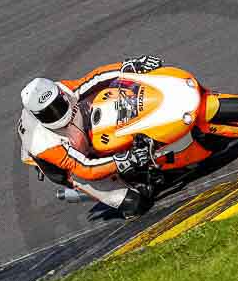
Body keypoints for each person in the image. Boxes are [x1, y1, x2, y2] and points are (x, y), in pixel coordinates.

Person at [17, 55, 165, 217]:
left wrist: (130, 66)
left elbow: (94, 79)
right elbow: (86, 168)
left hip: (79, 127)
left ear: (60, 95)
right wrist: (123, 160)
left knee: (110, 98)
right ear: (37, 116)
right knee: (136, 204)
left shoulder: (61, 90)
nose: (57, 113)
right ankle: (88, 190)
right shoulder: (43, 143)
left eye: (58, 105)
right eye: (48, 114)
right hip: (73, 169)